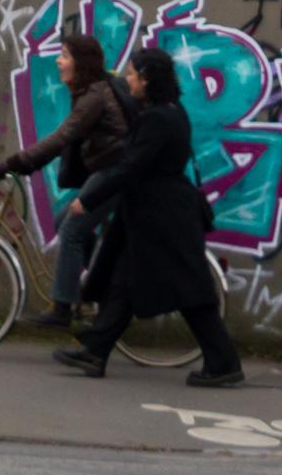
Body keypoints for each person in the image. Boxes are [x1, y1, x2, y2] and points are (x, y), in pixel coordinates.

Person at [54, 43, 241, 387]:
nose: (127, 80)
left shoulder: (158, 118)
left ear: (147, 78)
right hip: (152, 213)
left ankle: (224, 363)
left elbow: (131, 166)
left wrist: (90, 198)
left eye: (131, 74)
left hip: (164, 216)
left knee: (191, 292)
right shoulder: (169, 110)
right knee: (124, 281)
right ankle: (97, 349)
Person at [0, 31, 134, 327]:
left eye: (65, 55)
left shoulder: (94, 96)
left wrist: (14, 162)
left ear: (81, 63)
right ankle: (100, 281)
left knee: (71, 230)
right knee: (63, 223)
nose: (58, 61)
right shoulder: (89, 92)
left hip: (116, 173)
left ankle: (62, 309)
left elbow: (61, 138)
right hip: (110, 171)